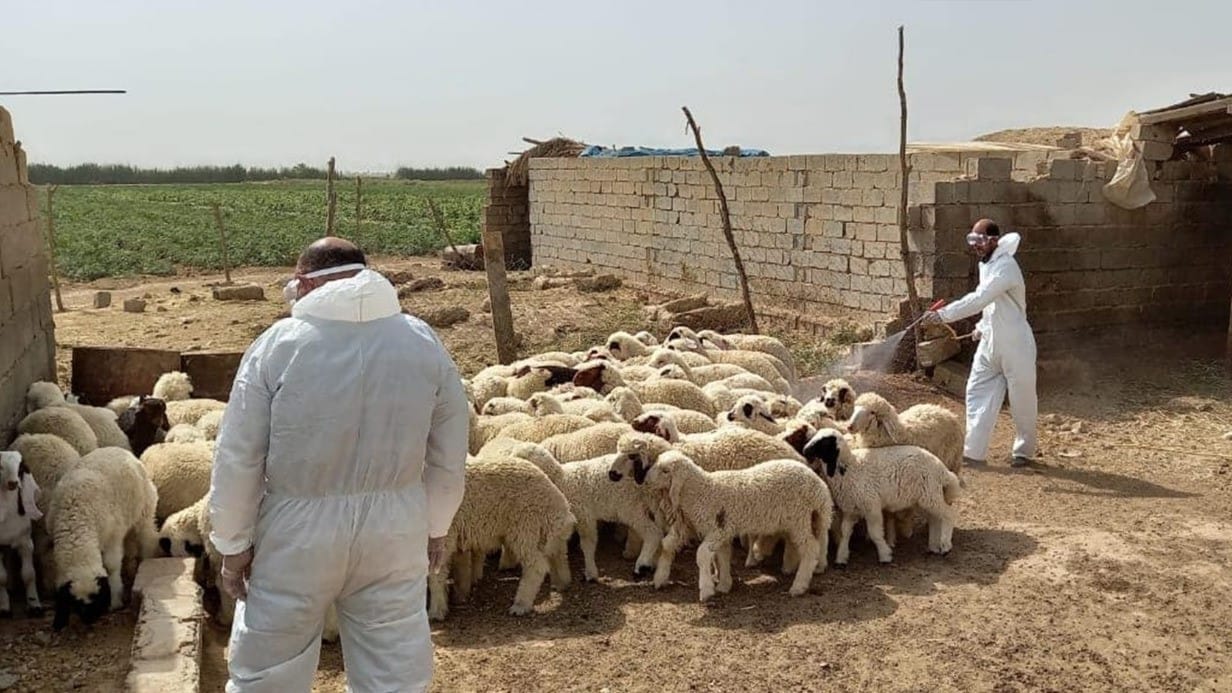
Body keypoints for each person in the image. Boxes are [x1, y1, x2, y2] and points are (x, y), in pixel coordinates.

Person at [207, 237, 469, 692]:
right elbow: (449, 448)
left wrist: (233, 544)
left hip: (296, 532)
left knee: (270, 668)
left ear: (304, 282)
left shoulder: (279, 344)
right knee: (393, 669)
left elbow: (239, 454)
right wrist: (436, 525)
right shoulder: (421, 340)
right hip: (395, 526)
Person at [920, 219, 1037, 468]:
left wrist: (943, 315)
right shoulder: (987, 264)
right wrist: (982, 328)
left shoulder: (1006, 267)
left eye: (979, 240)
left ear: (994, 240)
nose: (975, 246)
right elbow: (993, 305)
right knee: (976, 392)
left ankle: (1024, 451)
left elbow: (981, 298)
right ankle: (974, 452)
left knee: (1021, 398)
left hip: (1015, 343)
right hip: (990, 342)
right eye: (971, 240)